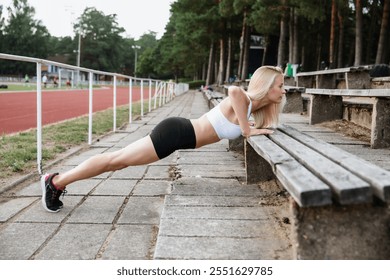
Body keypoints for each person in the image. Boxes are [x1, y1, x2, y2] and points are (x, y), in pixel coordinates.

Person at [41, 66, 287, 213]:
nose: (284, 90)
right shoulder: (244, 99)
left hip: (179, 134)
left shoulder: (249, 107)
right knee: (116, 160)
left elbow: (236, 112)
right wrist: (246, 129)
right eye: (280, 85)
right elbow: (234, 91)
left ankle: (58, 181)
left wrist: (248, 124)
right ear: (266, 86)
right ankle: (56, 181)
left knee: (118, 161)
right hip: (176, 133)